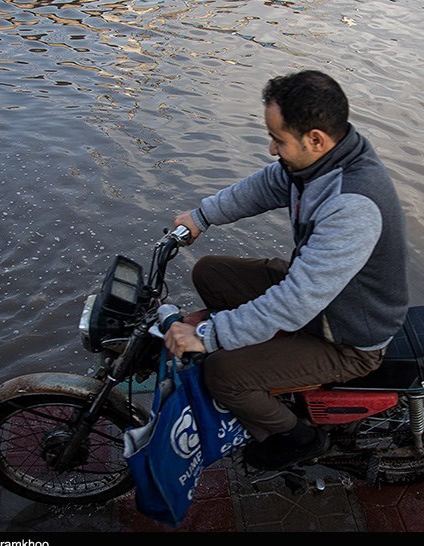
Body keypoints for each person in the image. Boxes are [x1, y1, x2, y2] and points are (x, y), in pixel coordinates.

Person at [163, 69, 409, 471]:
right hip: (321, 304)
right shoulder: (318, 162)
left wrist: (207, 335)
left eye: (279, 139)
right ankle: (269, 372)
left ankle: (298, 438)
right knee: (209, 272)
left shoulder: (353, 206)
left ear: (316, 138)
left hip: (345, 337)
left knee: (221, 373)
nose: (272, 149)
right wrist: (200, 216)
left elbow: (295, 302)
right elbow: (267, 185)